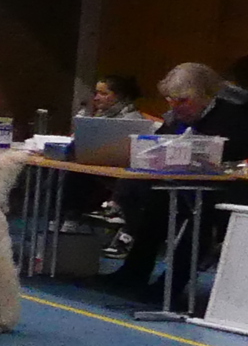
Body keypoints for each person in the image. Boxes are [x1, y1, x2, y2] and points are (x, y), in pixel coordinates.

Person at [103, 61, 248, 301]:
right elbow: (156, 145)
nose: (175, 107)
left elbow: (231, 154)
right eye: (170, 100)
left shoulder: (234, 117)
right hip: (186, 185)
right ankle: (133, 273)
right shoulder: (176, 117)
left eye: (182, 101)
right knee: (155, 204)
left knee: (199, 219)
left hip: (228, 189)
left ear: (205, 96)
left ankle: (170, 287)